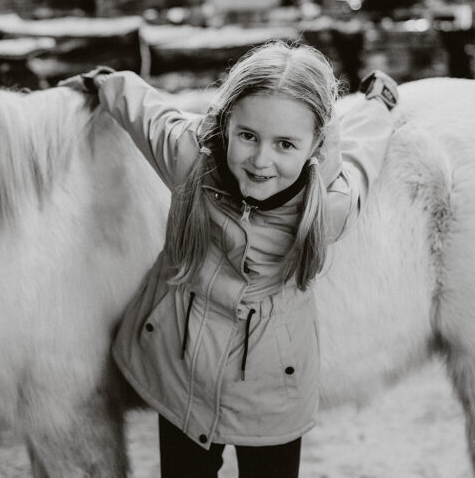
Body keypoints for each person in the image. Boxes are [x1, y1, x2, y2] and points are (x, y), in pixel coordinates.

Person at [60, 40, 397, 477]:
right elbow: (148, 113)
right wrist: (105, 81)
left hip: (271, 387)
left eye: (285, 145)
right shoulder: (191, 163)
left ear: (315, 146)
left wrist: (380, 101)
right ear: (226, 123)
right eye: (248, 136)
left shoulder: (326, 208)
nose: (261, 160)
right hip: (184, 371)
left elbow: (363, 151)